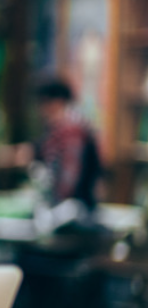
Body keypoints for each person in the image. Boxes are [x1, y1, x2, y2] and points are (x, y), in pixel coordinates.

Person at [31, 78, 102, 213]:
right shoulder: (59, 128)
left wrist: (57, 205)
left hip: (74, 210)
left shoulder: (71, 129)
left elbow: (69, 175)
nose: (41, 110)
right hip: (69, 207)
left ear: (56, 102)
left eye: (43, 103)